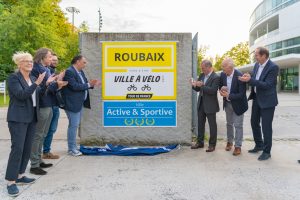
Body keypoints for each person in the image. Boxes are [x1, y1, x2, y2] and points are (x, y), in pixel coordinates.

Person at [5, 52, 45, 197]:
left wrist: (52, 84)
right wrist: (36, 84)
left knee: (27, 148)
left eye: (31, 61)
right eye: (26, 61)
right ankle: (11, 182)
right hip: (18, 119)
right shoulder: (13, 78)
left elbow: (39, 94)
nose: (30, 63)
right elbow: (21, 95)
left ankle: (21, 175)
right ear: (19, 63)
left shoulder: (33, 78)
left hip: (31, 117)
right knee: (18, 149)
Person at [30, 48, 67, 175]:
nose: (51, 59)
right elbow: (37, 89)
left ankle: (39, 160)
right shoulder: (35, 69)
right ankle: (34, 164)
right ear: (42, 57)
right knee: (38, 135)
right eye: (50, 57)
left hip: (49, 104)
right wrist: (54, 83)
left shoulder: (46, 69)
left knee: (43, 134)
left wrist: (57, 83)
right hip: (42, 105)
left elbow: (49, 87)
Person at [239, 47, 279, 161]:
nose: (255, 57)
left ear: (264, 56)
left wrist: (249, 80)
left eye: (256, 55)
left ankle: (267, 152)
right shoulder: (256, 65)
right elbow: (255, 77)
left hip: (268, 101)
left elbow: (267, 85)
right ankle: (259, 144)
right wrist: (247, 76)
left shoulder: (273, 67)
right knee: (253, 122)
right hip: (257, 98)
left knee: (266, 127)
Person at [63, 55, 100, 156]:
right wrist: (89, 85)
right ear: (77, 61)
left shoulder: (80, 72)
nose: (85, 64)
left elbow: (84, 84)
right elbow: (74, 86)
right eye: (84, 62)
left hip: (79, 103)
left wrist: (92, 84)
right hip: (72, 104)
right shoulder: (70, 71)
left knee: (75, 125)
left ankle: (73, 147)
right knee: (73, 126)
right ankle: (71, 149)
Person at [219, 58, 248, 156]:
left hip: (239, 104)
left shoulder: (240, 75)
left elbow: (241, 94)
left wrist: (228, 95)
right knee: (229, 124)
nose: (222, 69)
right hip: (227, 104)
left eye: (224, 67)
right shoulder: (223, 75)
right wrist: (221, 90)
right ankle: (230, 142)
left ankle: (238, 146)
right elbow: (220, 86)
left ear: (230, 67)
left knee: (238, 125)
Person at [190, 60, 220, 152]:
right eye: (201, 68)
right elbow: (198, 89)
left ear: (208, 67)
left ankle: (212, 145)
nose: (202, 70)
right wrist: (194, 85)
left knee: (212, 125)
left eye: (203, 68)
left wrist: (202, 85)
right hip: (201, 103)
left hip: (211, 105)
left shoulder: (216, 77)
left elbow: (213, 91)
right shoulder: (202, 75)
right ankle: (200, 142)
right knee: (200, 124)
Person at [42, 53, 60, 159]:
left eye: (56, 60)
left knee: (52, 129)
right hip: (49, 104)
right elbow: (47, 90)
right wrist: (58, 83)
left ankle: (46, 151)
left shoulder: (53, 72)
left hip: (55, 104)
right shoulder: (46, 72)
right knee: (46, 130)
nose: (55, 62)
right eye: (52, 59)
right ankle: (45, 151)